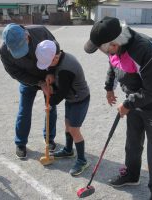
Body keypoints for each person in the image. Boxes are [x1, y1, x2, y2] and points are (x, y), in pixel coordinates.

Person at [84, 17, 152, 200]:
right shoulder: (114, 46)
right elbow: (113, 63)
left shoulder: (145, 51)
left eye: (101, 48)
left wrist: (127, 104)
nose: (103, 52)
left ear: (114, 43)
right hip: (134, 98)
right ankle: (132, 175)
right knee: (133, 142)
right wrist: (109, 87)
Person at [0, 23, 58, 159]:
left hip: (47, 75)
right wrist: (39, 83)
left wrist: (51, 73)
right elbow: (15, 73)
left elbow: (56, 50)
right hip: (28, 81)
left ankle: (49, 139)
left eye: (21, 46)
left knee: (51, 107)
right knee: (24, 110)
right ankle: (20, 143)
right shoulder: (4, 51)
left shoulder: (41, 32)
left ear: (27, 36)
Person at [35, 40, 90, 176]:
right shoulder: (60, 57)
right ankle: (68, 150)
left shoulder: (66, 69)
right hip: (72, 98)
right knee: (67, 124)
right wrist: (50, 73)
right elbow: (54, 68)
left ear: (54, 57)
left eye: (48, 64)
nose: (47, 67)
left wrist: (49, 102)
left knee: (73, 129)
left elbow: (61, 94)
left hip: (79, 100)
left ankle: (82, 160)